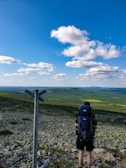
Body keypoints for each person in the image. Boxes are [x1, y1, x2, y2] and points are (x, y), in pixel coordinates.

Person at [75, 101, 97, 168]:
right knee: (88, 153)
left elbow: (76, 126)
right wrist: (92, 134)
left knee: (80, 152)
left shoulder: (79, 116)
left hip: (80, 136)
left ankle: (80, 166)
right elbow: (94, 126)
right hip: (89, 136)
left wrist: (78, 134)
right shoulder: (92, 116)